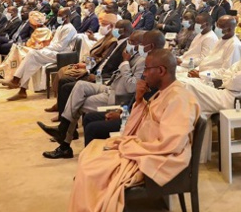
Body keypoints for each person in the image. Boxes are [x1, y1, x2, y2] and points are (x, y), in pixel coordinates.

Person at [59, 48, 200, 212]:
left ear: (162, 71)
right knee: (89, 155)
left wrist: (130, 147)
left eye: (147, 69)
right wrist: (140, 100)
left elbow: (171, 144)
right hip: (144, 149)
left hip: (159, 158)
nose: (144, 74)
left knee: (91, 170)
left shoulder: (179, 98)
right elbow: (138, 127)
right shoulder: (163, 92)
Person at [40, 30, 159, 159]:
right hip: (109, 86)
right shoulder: (133, 55)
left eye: (133, 42)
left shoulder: (142, 61)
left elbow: (131, 87)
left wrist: (125, 63)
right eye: (129, 41)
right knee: (79, 86)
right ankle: (63, 132)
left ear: (142, 44)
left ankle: (64, 142)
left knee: (77, 104)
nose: (128, 44)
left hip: (117, 96)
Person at [184, 20, 241, 118]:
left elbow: (238, 82)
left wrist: (229, 79)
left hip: (238, 99)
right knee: (189, 85)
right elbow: (231, 69)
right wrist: (230, 78)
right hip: (228, 91)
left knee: (189, 88)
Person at [2, 8, 78, 100]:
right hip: (54, 51)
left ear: (67, 17)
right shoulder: (60, 27)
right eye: (58, 14)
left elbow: (60, 46)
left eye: (60, 15)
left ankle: (16, 81)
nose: (58, 17)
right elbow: (54, 43)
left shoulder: (70, 28)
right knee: (30, 59)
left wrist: (45, 48)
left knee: (32, 54)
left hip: (63, 55)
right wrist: (44, 48)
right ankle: (21, 89)